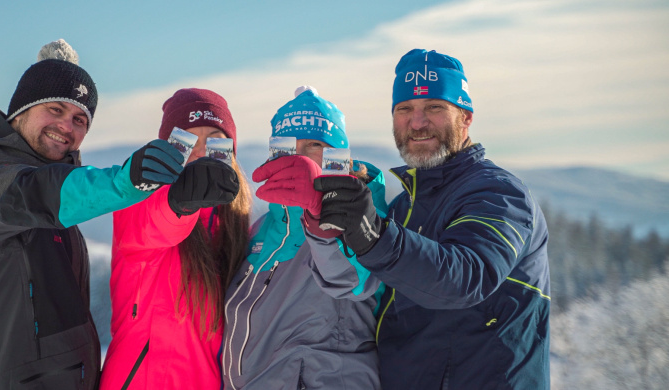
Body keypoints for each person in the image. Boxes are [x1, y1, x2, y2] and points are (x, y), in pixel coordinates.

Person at [0, 39, 185, 389]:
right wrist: (126, 181)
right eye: (54, 109)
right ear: (19, 112)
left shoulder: (53, 191)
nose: (67, 126)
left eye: (80, 119)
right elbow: (37, 191)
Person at [314, 49, 551, 389]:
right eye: (404, 109)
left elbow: (467, 278)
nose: (417, 122)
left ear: (466, 117)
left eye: (434, 108)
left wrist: (375, 236)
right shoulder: (403, 208)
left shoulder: (498, 194)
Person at [222, 86, 383, 389]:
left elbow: (355, 280)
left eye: (314, 144)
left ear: (338, 154)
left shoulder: (361, 212)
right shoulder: (262, 227)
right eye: (289, 145)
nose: (299, 156)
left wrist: (322, 214)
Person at [100, 88, 251, 389]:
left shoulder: (236, 225)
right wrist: (179, 202)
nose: (201, 150)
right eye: (188, 139)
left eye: (214, 139)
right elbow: (154, 224)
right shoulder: (142, 200)